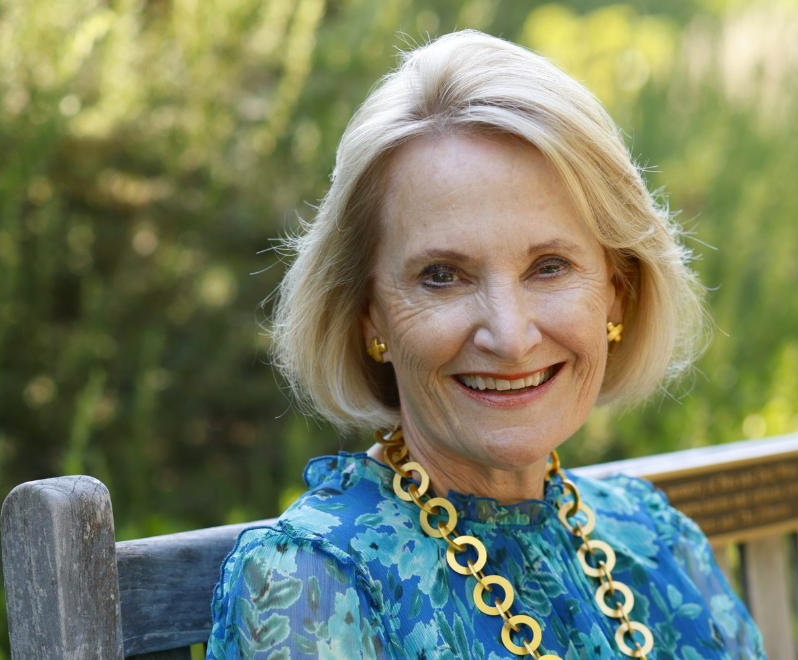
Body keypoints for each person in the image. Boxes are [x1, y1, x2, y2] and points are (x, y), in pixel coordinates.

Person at [207, 30, 765, 660]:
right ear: (369, 318)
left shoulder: (660, 542)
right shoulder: (314, 586)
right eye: (442, 276)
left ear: (617, 290)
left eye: (549, 266)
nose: (509, 335)